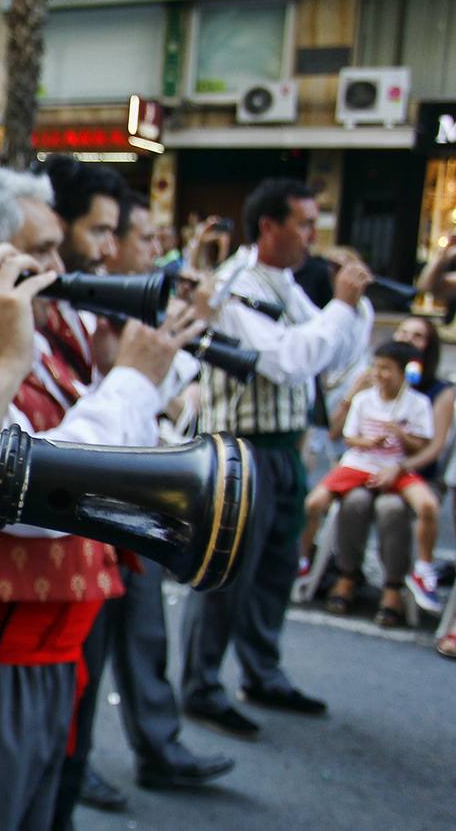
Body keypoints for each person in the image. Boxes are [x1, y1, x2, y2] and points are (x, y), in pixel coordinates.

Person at [0, 167, 193, 831]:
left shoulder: (36, 344)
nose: (65, 268)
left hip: (45, 656)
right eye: (43, 252)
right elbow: (41, 498)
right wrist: (134, 381)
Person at [53, 188, 233, 828]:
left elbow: (146, 386)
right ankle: (76, 760)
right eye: (137, 238)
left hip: (130, 500)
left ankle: (149, 745)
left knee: (138, 629)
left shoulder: (116, 306)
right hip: (87, 509)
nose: (152, 252)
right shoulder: (79, 306)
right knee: (81, 650)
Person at [182, 178, 374, 740]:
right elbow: (290, 360)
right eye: (305, 224)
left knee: (275, 568)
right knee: (228, 571)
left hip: (286, 447)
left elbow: (335, 351)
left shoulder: (287, 284)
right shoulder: (235, 285)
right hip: (242, 450)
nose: (314, 237)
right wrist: (341, 303)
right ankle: (202, 685)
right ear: (269, 227)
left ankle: (262, 671)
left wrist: (351, 308)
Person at [304, 341, 437, 626]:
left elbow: (424, 445)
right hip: (359, 466)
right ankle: (329, 570)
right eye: (377, 366)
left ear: (405, 372)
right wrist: (368, 439)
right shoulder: (364, 399)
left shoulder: (418, 403)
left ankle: (407, 580)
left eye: (386, 369)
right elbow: (343, 436)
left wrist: (401, 438)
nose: (379, 373)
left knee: (405, 507)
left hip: (396, 470)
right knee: (340, 502)